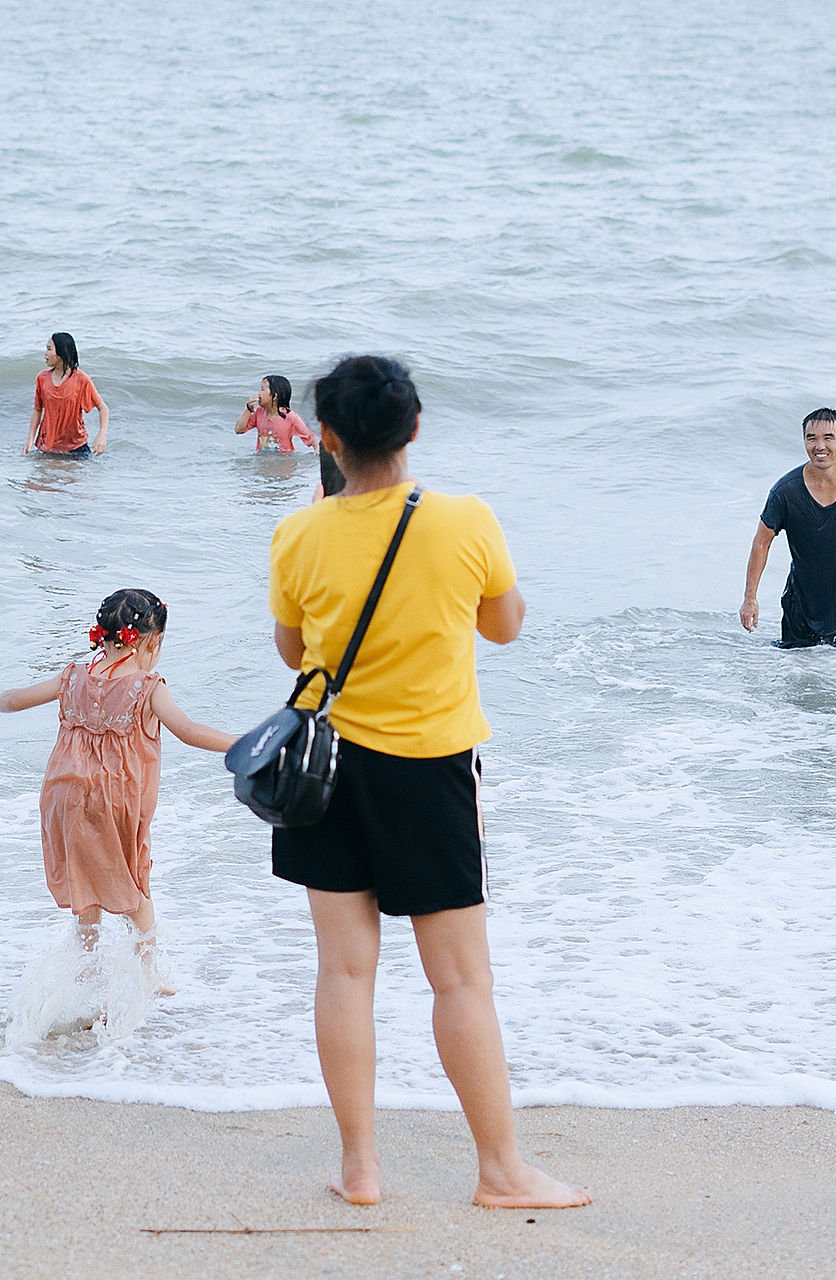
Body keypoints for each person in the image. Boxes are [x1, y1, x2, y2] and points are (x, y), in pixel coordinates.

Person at [266, 354, 591, 1211]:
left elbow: (295, 652)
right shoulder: (464, 518)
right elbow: (506, 626)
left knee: (343, 972)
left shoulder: (298, 533)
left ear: (325, 438)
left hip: (326, 767)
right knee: (459, 980)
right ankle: (500, 1172)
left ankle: (361, 1171)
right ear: (413, 430)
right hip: (429, 770)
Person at [0, 590, 235, 990]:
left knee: (85, 880)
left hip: (63, 793)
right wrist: (247, 744)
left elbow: (16, 699)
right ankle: (148, 971)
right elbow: (190, 731)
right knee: (135, 889)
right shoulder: (147, 687)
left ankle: (86, 965)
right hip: (114, 800)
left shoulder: (73, 676)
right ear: (151, 641)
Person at [741, 408, 836, 648]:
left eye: (828, 438)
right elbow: (761, 542)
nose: (819, 445)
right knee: (798, 674)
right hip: (801, 600)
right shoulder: (786, 492)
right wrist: (750, 598)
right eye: (811, 438)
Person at [24, 333, 109, 457]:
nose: (45, 353)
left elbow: (103, 408)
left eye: (49, 349)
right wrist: (30, 439)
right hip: (47, 447)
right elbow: (37, 410)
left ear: (61, 353)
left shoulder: (82, 379)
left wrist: (102, 435)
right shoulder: (42, 378)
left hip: (76, 448)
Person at [235, 375, 318, 453]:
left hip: (284, 462)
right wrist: (249, 409)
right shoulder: (259, 412)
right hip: (263, 461)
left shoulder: (291, 417)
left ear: (274, 396)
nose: (259, 394)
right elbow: (239, 429)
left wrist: (317, 450)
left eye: (262, 390)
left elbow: (311, 437)